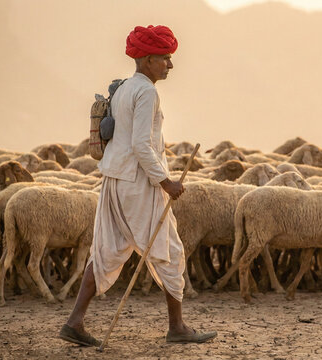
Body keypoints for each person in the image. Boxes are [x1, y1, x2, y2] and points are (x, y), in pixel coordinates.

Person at [59, 25, 217, 346]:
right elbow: (142, 145)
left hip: (114, 181)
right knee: (170, 251)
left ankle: (74, 322)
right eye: (165, 58)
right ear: (147, 61)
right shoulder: (147, 92)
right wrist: (167, 181)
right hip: (138, 184)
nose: (170, 65)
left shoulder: (122, 90)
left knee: (105, 251)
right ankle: (177, 328)